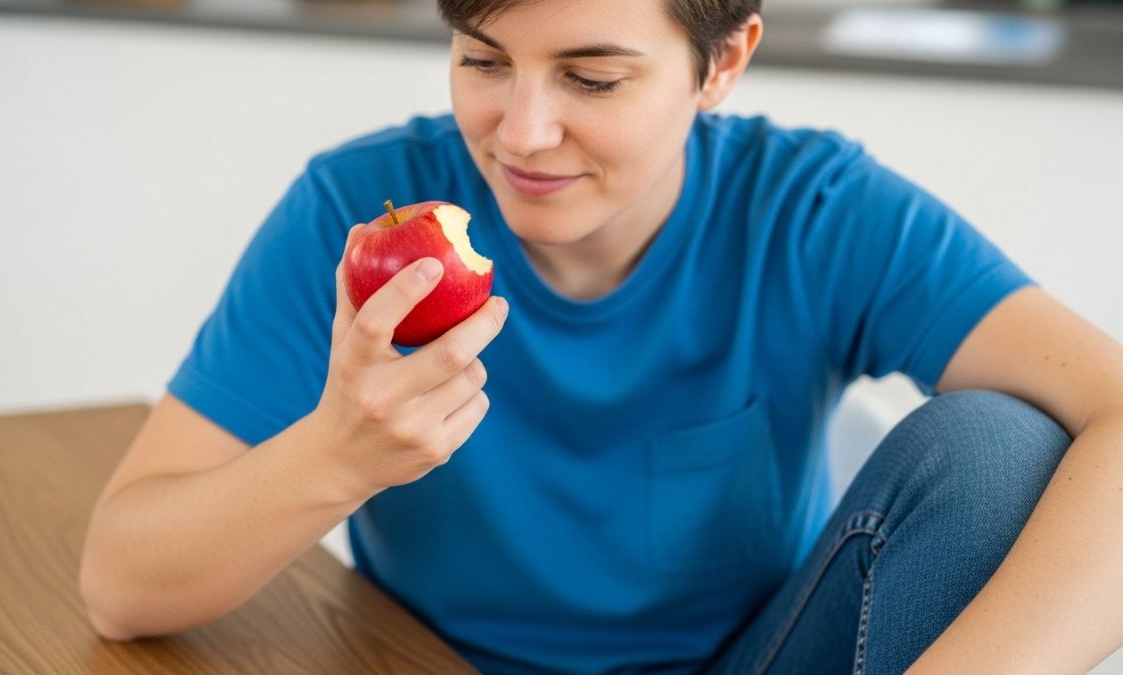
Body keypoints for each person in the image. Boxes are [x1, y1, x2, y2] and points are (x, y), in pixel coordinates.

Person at [78, 0, 1123, 672]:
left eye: (592, 78)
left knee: (1002, 445)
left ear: (723, 62)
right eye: (484, 60)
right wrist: (335, 456)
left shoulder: (812, 212)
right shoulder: (357, 213)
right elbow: (120, 588)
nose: (522, 133)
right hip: (425, 660)